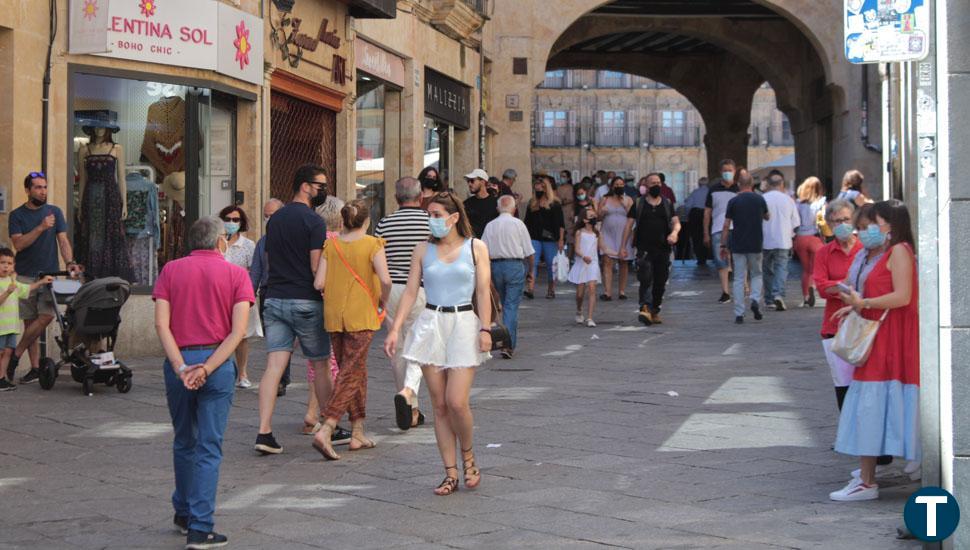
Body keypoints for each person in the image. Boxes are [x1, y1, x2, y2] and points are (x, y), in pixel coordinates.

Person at [153, 217, 254, 548]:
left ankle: (183, 511)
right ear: (220, 242)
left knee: (184, 440)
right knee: (209, 445)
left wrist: (181, 366)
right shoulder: (236, 274)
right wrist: (207, 368)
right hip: (218, 363)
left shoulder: (170, 270)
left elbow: (162, 326)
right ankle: (200, 525)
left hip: (179, 361)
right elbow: (237, 332)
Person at [383, 192, 491, 496]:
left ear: (454, 217)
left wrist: (486, 328)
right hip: (431, 323)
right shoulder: (422, 250)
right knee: (440, 405)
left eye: (436, 215)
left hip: (463, 323)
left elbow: (483, 291)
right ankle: (450, 473)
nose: (431, 220)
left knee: (457, 401)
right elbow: (408, 292)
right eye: (428, 214)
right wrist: (394, 329)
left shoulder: (476, 247)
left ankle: (469, 456)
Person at [829, 200, 919, 502]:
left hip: (890, 339)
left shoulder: (900, 251)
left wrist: (863, 304)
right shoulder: (892, 252)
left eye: (874, 223)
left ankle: (867, 482)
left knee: (869, 404)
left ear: (890, 224)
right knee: (870, 405)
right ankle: (867, 478)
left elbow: (902, 296)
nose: (867, 230)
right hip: (883, 335)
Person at [255, 164, 347, 456]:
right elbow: (314, 265)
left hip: (274, 299)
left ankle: (264, 431)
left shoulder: (275, 219)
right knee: (320, 365)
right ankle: (329, 425)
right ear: (305, 186)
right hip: (305, 300)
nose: (323, 190)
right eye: (320, 185)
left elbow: (271, 258)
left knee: (273, 367)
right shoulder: (314, 221)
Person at [311, 200, 392, 460]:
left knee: (356, 370)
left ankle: (358, 430)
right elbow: (386, 279)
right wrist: (383, 299)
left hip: (335, 316)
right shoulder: (372, 244)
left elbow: (319, 282)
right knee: (350, 371)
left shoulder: (331, 245)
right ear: (367, 221)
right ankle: (328, 426)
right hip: (362, 314)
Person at [6, 172, 81, 384]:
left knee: (46, 316)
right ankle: (36, 369)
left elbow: (63, 241)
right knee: (31, 324)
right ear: (28, 190)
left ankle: (16, 355)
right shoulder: (17, 215)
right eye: (38, 187)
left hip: (50, 275)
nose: (43, 191)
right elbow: (18, 245)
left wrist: (69, 263)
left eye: (45, 187)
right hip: (25, 276)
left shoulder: (54, 212)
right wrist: (40, 227)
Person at [374, 177, 431, 430]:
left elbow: (377, 259)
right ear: (421, 198)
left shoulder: (384, 223)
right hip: (420, 289)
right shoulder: (430, 222)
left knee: (396, 347)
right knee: (419, 345)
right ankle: (409, 394)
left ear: (396, 198)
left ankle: (411, 404)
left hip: (392, 289)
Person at [812, 199, 860, 412]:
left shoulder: (865, 249)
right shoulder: (824, 253)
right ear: (830, 225)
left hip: (864, 322)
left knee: (867, 382)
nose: (842, 224)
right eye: (837, 221)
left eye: (846, 219)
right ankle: (847, 434)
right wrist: (849, 287)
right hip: (835, 325)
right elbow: (821, 287)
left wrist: (838, 287)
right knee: (842, 383)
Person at [622, 173, 680, 326]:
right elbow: (628, 226)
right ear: (646, 186)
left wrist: (674, 233)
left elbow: (676, 222)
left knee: (660, 281)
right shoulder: (639, 203)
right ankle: (645, 307)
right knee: (646, 277)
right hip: (644, 249)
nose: (656, 185)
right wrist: (623, 246)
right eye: (652, 183)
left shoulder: (667, 204)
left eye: (658, 182)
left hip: (663, 249)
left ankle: (654, 310)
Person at [482, 194, 535, 358]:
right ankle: (507, 344)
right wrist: (531, 271)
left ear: (498, 208)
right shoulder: (518, 224)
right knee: (511, 306)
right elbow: (529, 251)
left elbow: (483, 251)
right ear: (514, 208)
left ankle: (503, 340)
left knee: (504, 304)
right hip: (514, 265)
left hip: (496, 266)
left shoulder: (490, 226)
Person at [249, 199, 291, 398]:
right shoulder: (263, 242)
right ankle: (280, 379)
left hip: (290, 292)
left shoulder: (293, 239)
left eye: (272, 215)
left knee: (284, 340)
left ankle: (281, 379)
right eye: (266, 215)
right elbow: (256, 270)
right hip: (268, 293)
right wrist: (249, 296)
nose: (269, 219)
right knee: (275, 340)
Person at [218, 205, 261, 389]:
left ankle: (242, 373)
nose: (231, 223)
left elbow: (253, 271)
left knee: (241, 335)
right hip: (219, 295)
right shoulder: (216, 242)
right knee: (219, 334)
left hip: (240, 296)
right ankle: (221, 371)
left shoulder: (249, 245)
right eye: (227, 219)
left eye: (236, 220)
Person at [720, 169, 769, 324]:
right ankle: (754, 299)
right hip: (755, 242)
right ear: (752, 184)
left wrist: (723, 244)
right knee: (756, 274)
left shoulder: (733, 201)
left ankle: (739, 313)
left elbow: (726, 224)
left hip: (738, 243)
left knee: (739, 278)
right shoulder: (759, 199)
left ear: (739, 184)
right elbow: (768, 216)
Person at [0, 248, 52, 391]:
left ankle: (1, 379)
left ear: (13, 266)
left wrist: (41, 282)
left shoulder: (13, 282)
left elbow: (27, 288)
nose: (6, 266)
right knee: (1, 353)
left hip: (11, 326)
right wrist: (7, 292)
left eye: (9, 263)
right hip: (0, 327)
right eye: (2, 263)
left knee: (8, 352)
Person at [761, 173, 800, 311]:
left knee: (767, 270)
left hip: (766, 240)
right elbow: (796, 222)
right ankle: (778, 294)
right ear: (782, 184)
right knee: (781, 269)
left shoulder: (763, 198)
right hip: (784, 240)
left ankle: (769, 299)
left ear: (769, 184)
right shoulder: (788, 200)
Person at [524, 176, 565, 299]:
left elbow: (561, 224)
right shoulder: (532, 203)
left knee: (550, 264)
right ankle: (530, 288)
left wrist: (561, 239)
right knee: (533, 263)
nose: (538, 189)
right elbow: (526, 222)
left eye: (541, 187)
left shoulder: (555, 204)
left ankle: (551, 288)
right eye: (536, 187)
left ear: (546, 188)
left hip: (550, 238)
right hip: (534, 237)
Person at [705, 161, 739, 304]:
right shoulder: (713, 190)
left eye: (730, 170)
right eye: (725, 170)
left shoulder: (738, 189)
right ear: (721, 172)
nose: (727, 172)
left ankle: (742, 288)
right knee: (721, 262)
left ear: (735, 171)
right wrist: (705, 232)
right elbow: (707, 213)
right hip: (718, 229)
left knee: (739, 259)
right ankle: (725, 291)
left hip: (737, 228)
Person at [597, 176, 634, 301]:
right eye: (616, 184)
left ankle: (622, 291)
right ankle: (607, 292)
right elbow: (597, 217)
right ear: (612, 186)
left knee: (623, 262)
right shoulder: (605, 199)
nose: (619, 186)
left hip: (624, 234)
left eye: (621, 184)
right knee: (607, 261)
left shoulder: (628, 199)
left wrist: (625, 205)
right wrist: (602, 212)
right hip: (607, 233)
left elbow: (633, 216)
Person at [795, 177, 827, 307]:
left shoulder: (797, 203)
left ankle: (806, 296)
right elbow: (823, 220)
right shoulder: (821, 202)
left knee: (806, 270)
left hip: (801, 239)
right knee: (814, 269)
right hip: (815, 238)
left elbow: (795, 222)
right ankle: (813, 286)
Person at [568, 207, 602, 327]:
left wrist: (616, 252)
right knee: (579, 294)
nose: (594, 218)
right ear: (585, 220)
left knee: (592, 288)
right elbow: (577, 249)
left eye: (594, 216)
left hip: (593, 263)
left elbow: (602, 247)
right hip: (581, 262)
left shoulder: (597, 233)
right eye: (591, 217)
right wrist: (583, 257)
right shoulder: (579, 232)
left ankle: (590, 318)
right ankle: (579, 309)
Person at [462, 169, 499, 238]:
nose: (469, 184)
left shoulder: (496, 203)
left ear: (482, 182)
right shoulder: (466, 204)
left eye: (472, 181)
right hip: (472, 244)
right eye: (468, 181)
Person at [684, 178, 711, 266]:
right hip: (708, 214)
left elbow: (688, 206)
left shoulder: (694, 192)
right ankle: (708, 255)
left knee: (696, 237)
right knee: (708, 234)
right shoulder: (710, 192)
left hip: (695, 214)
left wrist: (688, 216)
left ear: (699, 184)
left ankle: (700, 258)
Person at [556, 173, 576, 250]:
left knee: (570, 236)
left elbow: (573, 200)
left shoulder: (572, 188)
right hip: (560, 213)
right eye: (561, 176)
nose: (562, 178)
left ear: (568, 178)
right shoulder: (558, 188)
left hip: (569, 213)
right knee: (560, 234)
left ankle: (569, 257)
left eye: (564, 176)